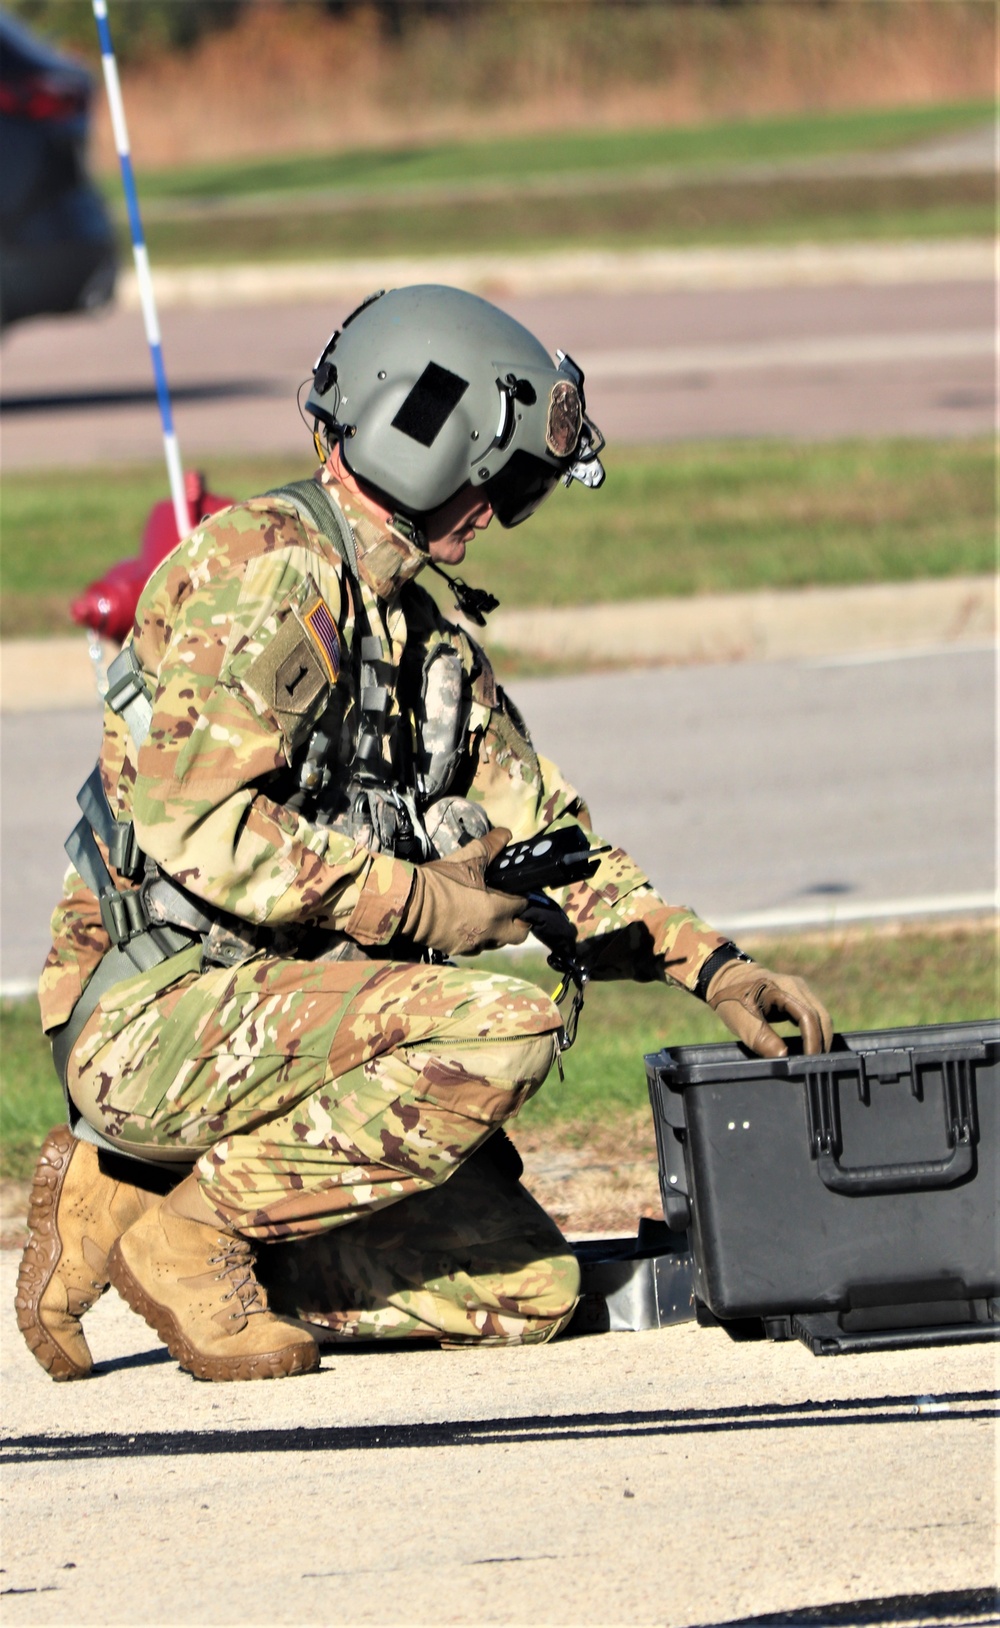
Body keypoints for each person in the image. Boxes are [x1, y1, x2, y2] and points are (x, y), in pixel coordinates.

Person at [16, 285, 832, 1383]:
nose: (497, 515)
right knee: (501, 1023)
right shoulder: (269, 573)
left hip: (286, 1035)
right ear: (421, 440)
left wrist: (713, 965)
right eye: (498, 484)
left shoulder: (419, 635)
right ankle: (193, 1233)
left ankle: (139, 1197)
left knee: (529, 1293)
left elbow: (547, 837)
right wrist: (416, 904)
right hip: (155, 1017)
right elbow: (198, 821)